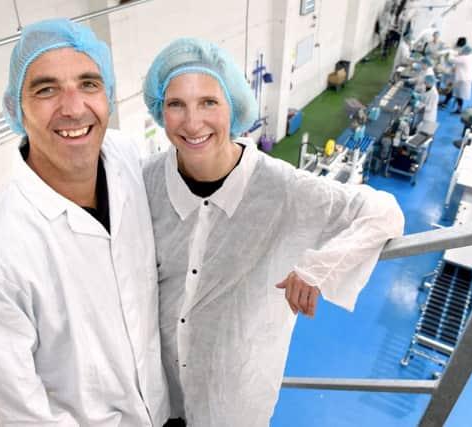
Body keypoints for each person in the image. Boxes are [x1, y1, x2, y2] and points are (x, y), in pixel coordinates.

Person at [142, 38, 405, 426]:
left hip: (230, 401)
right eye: (176, 104)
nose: (192, 122)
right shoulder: (147, 181)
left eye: (208, 103)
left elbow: (384, 213)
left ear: (233, 105)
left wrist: (320, 267)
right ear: (159, 111)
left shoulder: (282, 188)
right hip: (157, 395)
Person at [0, 19, 169, 426]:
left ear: (108, 95)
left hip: (163, 411)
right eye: (46, 89)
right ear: (17, 108)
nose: (73, 107)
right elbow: (20, 412)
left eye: (88, 84)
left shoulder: (126, 157)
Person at [440, 45, 472, 114]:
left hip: (462, 79)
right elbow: (459, 56)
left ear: (465, 52)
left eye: (463, 51)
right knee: (453, 91)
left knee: (459, 95)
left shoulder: (464, 58)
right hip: (466, 78)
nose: (461, 52)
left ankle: (459, 110)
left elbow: (451, 59)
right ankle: (445, 103)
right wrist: (456, 53)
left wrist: (450, 52)